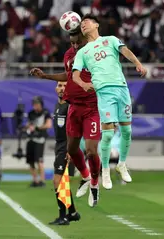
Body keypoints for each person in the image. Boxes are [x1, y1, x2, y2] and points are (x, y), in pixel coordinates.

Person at [72, 14, 147, 190]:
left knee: (127, 131)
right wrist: (83, 84)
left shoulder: (111, 40)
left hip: (121, 88)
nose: (83, 25)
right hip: (104, 91)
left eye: (87, 22)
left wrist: (137, 63)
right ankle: (105, 169)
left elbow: (125, 50)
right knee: (107, 134)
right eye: (81, 23)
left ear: (96, 24)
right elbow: (75, 74)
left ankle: (121, 164)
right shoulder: (82, 51)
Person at [30, 29, 101, 207]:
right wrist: (46, 75)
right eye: (72, 43)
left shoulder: (95, 52)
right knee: (70, 153)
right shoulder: (69, 55)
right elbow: (69, 76)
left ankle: (92, 185)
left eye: (78, 43)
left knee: (90, 152)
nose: (75, 46)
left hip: (92, 107)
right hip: (73, 113)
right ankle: (82, 184)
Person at [49, 81, 80, 225]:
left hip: (67, 147)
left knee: (58, 181)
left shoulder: (71, 106)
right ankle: (72, 213)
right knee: (62, 182)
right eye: (59, 85)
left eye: (64, 86)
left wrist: (71, 149)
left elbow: (76, 129)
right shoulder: (58, 106)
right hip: (60, 146)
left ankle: (63, 216)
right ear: (56, 88)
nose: (61, 88)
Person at [26, 97, 52, 187]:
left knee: (39, 160)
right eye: (34, 104)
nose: (35, 106)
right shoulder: (31, 113)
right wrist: (26, 128)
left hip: (40, 139)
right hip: (30, 139)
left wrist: (38, 128)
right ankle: (35, 180)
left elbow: (49, 125)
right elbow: (29, 124)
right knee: (30, 161)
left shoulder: (45, 113)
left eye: (37, 104)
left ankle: (42, 180)